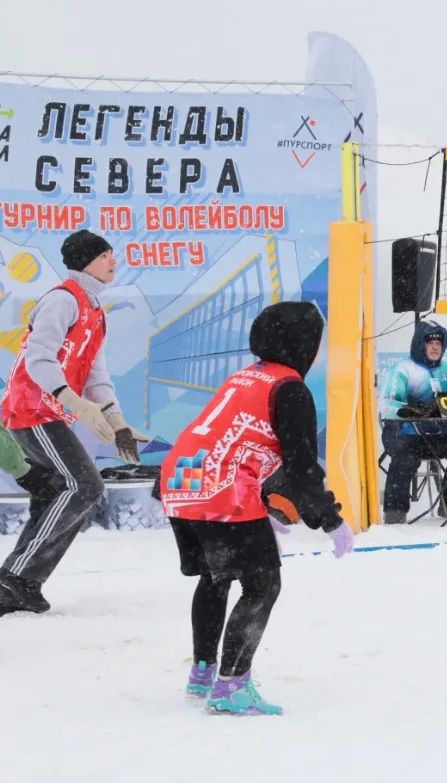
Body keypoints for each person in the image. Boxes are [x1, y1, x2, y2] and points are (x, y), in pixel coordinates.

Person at [158, 302, 355, 715]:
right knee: (263, 585)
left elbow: (236, 440)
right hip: (220, 487)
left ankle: (204, 671)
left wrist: (262, 499)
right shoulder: (290, 388)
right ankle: (232, 686)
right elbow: (301, 466)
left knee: (215, 577)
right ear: (307, 344)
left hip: (181, 477)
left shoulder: (245, 377)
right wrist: (329, 518)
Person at [1, 230, 142, 616]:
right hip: (30, 409)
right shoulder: (63, 300)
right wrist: (75, 404)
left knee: (59, 492)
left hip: (48, 411)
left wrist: (117, 422)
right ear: (87, 261)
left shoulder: (94, 310)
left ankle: (24, 583)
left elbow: (97, 375)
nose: (114, 260)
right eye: (106, 255)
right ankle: (13, 578)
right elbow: (38, 359)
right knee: (84, 485)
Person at [380, 320, 447, 522]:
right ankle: (395, 511)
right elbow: (385, 404)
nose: (436, 346)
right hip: (404, 434)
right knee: (405, 457)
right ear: (419, 344)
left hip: (436, 435)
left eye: (439, 342)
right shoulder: (402, 369)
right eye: (430, 342)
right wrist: (409, 411)